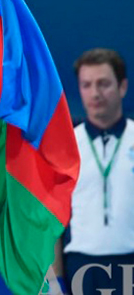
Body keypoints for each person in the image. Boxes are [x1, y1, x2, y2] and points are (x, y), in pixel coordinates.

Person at [63, 48, 133, 294]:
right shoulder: (66, 146)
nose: (95, 93)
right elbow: (52, 220)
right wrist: (53, 280)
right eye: (86, 85)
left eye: (103, 84)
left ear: (122, 87)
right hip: (81, 264)